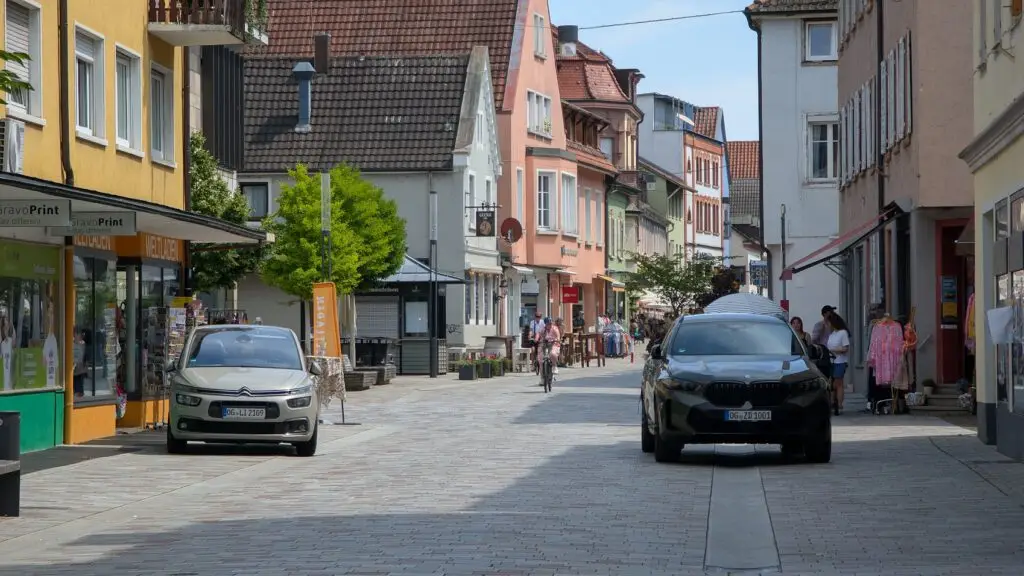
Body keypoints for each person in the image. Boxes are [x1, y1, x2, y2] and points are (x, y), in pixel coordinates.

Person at [826, 312, 851, 415]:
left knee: (838, 383)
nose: (827, 325)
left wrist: (834, 350)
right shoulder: (832, 334)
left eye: (828, 323)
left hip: (840, 361)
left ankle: (839, 403)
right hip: (831, 361)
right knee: (831, 383)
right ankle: (832, 402)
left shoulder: (843, 333)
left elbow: (845, 348)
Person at [539, 317, 561, 384]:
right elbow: (541, 337)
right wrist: (539, 340)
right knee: (540, 360)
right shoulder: (543, 329)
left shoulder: (555, 328)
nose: (550, 325)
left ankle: (554, 366)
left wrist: (556, 339)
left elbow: (558, 336)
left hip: (554, 344)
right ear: (545, 324)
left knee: (552, 354)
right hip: (545, 345)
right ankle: (542, 378)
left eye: (551, 323)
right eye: (548, 324)